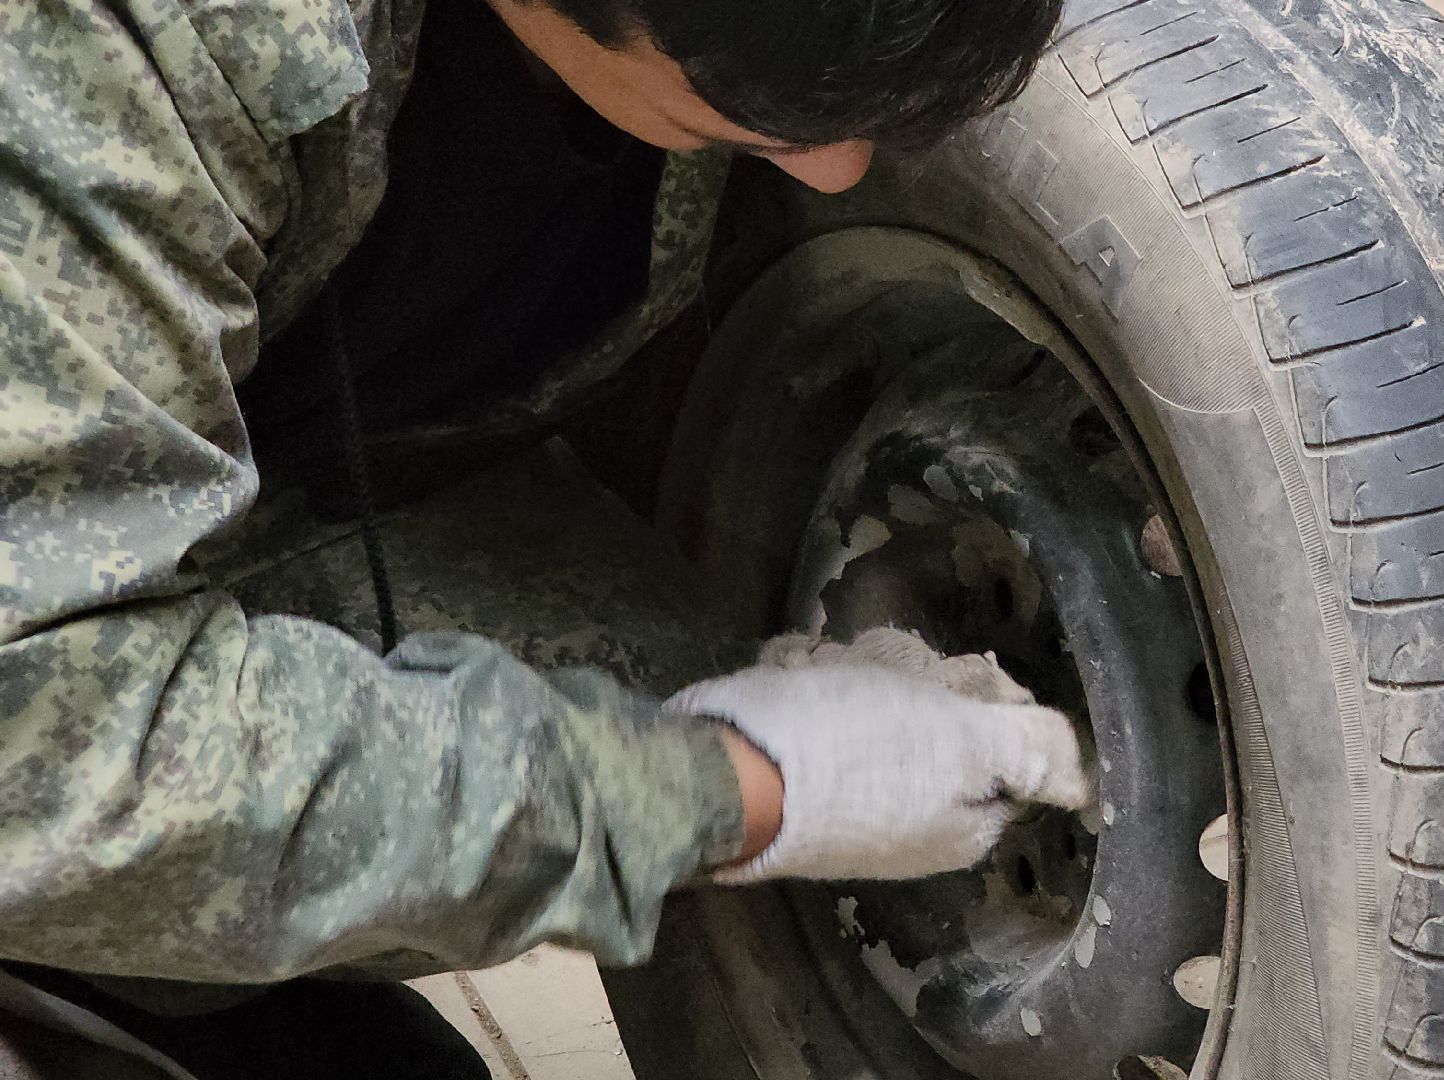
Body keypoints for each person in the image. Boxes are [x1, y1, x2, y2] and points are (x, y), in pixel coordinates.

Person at [0, 0, 1080, 1075]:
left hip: (253, 469)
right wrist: (724, 794)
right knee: (636, 719)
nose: (843, 168)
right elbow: (46, 750)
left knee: (667, 664)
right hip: (41, 682)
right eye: (767, 112)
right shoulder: (104, 51)